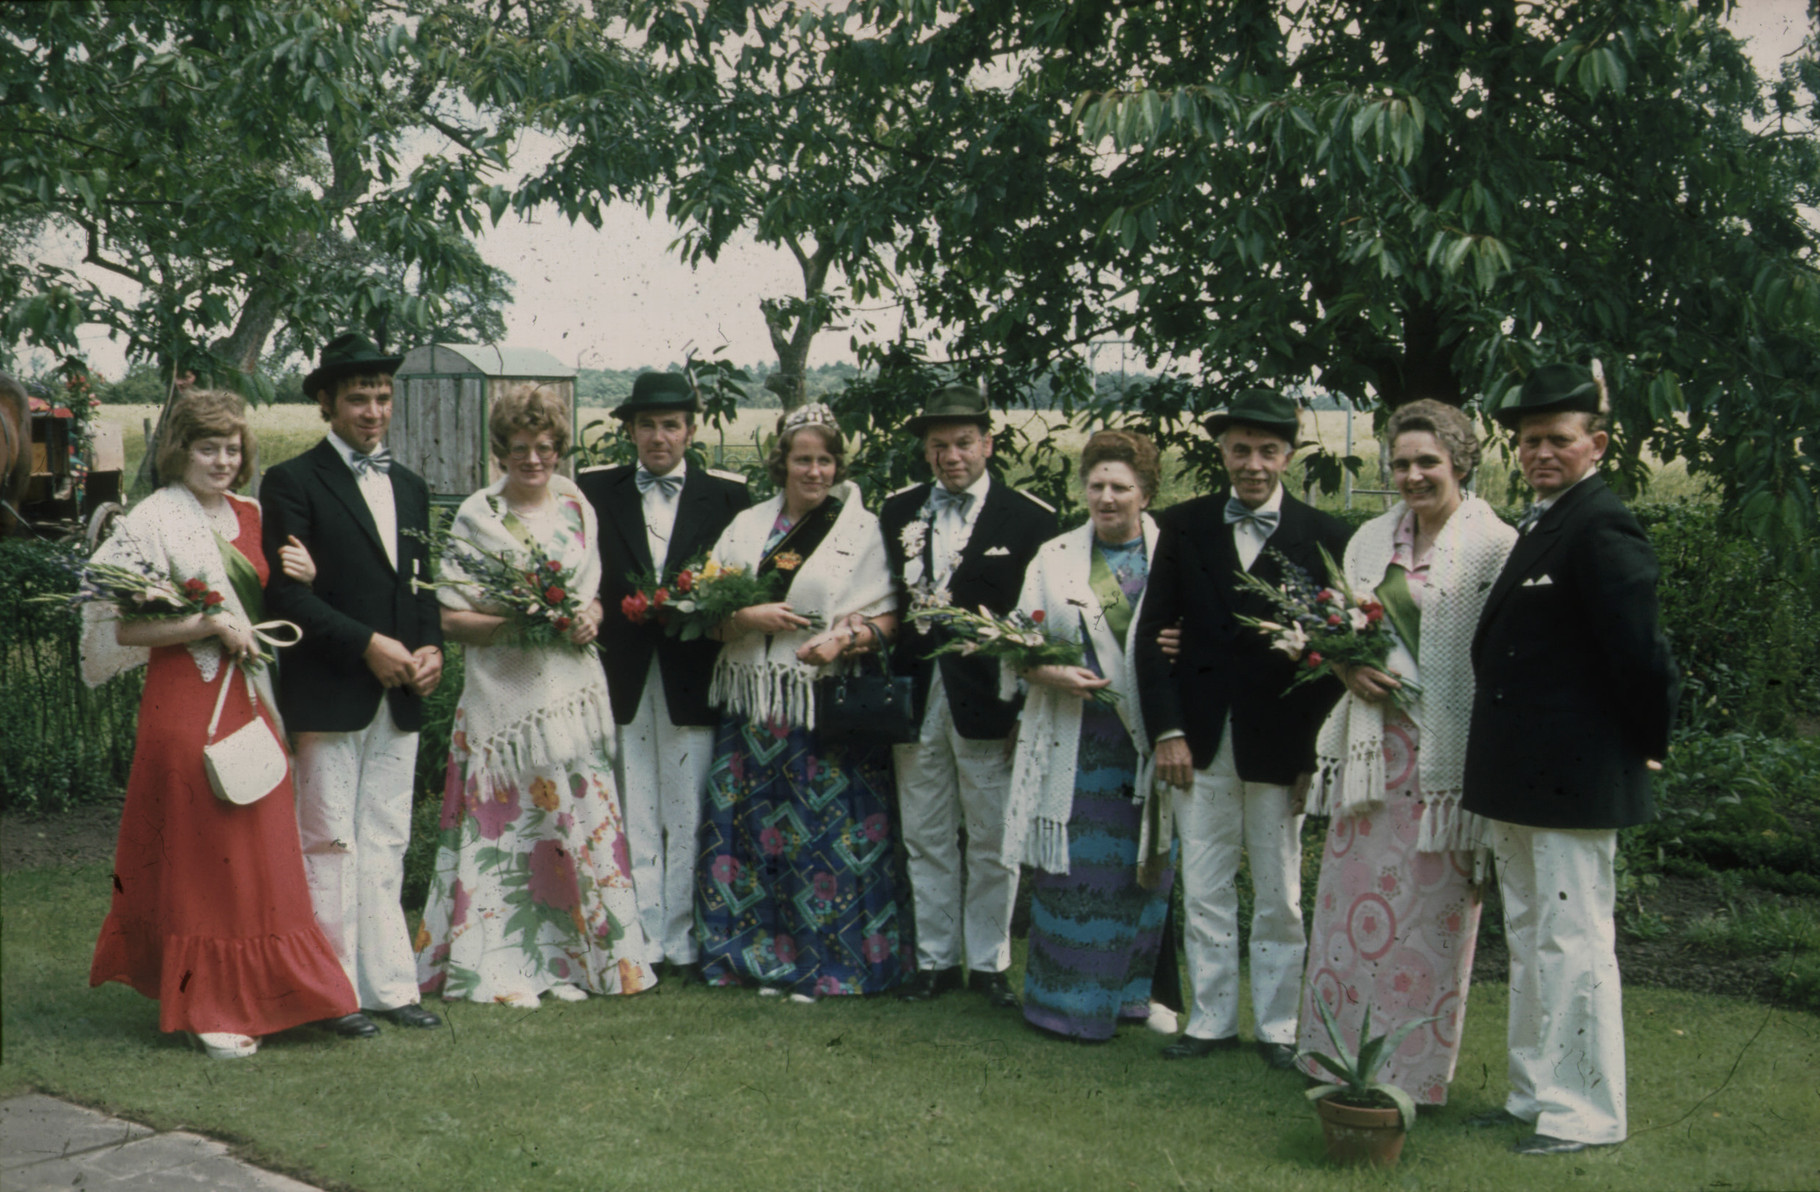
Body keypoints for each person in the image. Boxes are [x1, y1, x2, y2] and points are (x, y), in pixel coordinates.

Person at [85, 388, 357, 1058]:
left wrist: (307, 575)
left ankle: (274, 992)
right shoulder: (153, 519)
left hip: (252, 695)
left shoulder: (254, 514)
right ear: (181, 449)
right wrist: (208, 622)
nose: (223, 460)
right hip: (188, 700)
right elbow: (125, 626)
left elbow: (282, 599)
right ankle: (209, 1001)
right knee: (206, 855)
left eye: (233, 448)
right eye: (209, 448)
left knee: (263, 851)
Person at [1462, 363, 1679, 1155]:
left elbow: (1643, 657)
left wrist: (1647, 747)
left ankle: (1587, 1114)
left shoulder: (1602, 524)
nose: (1540, 453)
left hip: (1577, 778)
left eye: (1558, 439)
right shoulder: (1549, 519)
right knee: (1531, 936)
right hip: (1525, 777)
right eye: (1528, 441)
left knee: (1575, 943)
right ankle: (1533, 1096)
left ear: (1598, 443)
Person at [1295, 399, 1516, 1104]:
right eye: (1401, 463)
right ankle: (1334, 1059)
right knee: (1349, 911)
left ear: (1460, 463)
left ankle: (1411, 1078)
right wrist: (1346, 667)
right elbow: (1334, 629)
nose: (1413, 475)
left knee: (1428, 923)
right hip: (1370, 754)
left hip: (1443, 763)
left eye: (1428, 462)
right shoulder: (1367, 541)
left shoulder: (1495, 546)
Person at [415, 384, 654, 1005]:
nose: (534, 460)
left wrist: (592, 616)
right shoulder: (478, 516)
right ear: (501, 450)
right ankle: (499, 969)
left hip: (570, 701)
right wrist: (518, 625)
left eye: (546, 447)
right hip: (504, 709)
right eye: (520, 448)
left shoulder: (578, 507)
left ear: (559, 449)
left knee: (570, 830)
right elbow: (450, 617)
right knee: (509, 840)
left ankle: (577, 966)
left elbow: (592, 592)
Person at [1133, 387, 1351, 1067]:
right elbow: (1152, 638)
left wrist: (1312, 757)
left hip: (1280, 746)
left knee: (1281, 891)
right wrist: (1167, 731)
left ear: (1288, 453)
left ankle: (1281, 1027)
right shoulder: (1182, 526)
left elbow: (1337, 657)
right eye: (1239, 450)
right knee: (1203, 880)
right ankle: (1211, 1019)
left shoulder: (1325, 537)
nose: (1252, 463)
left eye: (1266, 450)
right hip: (1199, 738)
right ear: (1221, 453)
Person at [693, 403, 912, 999]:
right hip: (754, 709)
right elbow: (705, 616)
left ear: (838, 464)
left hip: (822, 707)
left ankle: (830, 964)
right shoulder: (746, 526)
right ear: (781, 463)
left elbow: (889, 617)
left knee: (821, 840)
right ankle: (753, 958)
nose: (814, 471)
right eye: (802, 459)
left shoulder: (858, 530)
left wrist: (842, 638)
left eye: (825, 460)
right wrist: (744, 614)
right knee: (754, 837)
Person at [262, 332, 445, 1038]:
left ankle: (391, 987)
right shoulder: (292, 483)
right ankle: (330, 990)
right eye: (357, 398)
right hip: (332, 687)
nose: (372, 410)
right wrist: (369, 645)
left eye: (381, 396)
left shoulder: (411, 486)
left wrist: (429, 646)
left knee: (386, 837)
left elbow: (421, 587)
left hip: (400, 689)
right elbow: (288, 598)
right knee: (329, 839)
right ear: (326, 404)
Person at [878, 385, 1056, 1008]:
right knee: (924, 832)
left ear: (987, 442)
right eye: (938, 446)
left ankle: (988, 962)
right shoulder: (897, 512)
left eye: (962, 443)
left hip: (990, 699)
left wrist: (1024, 710)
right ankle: (934, 960)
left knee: (992, 837)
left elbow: (1040, 622)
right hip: (916, 695)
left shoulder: (1030, 518)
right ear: (926, 451)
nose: (951, 456)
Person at [1003, 430, 1176, 1040]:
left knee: (1141, 869)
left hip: (1149, 740)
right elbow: (1014, 645)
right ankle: (1062, 1005)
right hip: (1076, 741)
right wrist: (1049, 671)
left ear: (1146, 492)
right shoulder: (1052, 557)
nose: (1107, 497)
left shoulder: (1174, 555)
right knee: (1076, 873)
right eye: (1097, 485)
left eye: (1120, 487)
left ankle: (1129, 997)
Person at [577, 372, 749, 976]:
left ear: (691, 430)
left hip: (691, 671)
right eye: (646, 425)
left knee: (688, 806)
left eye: (670, 425)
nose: (658, 436)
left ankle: (683, 935)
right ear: (629, 430)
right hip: (621, 671)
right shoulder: (594, 490)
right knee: (633, 806)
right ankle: (643, 933)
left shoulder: (728, 496)